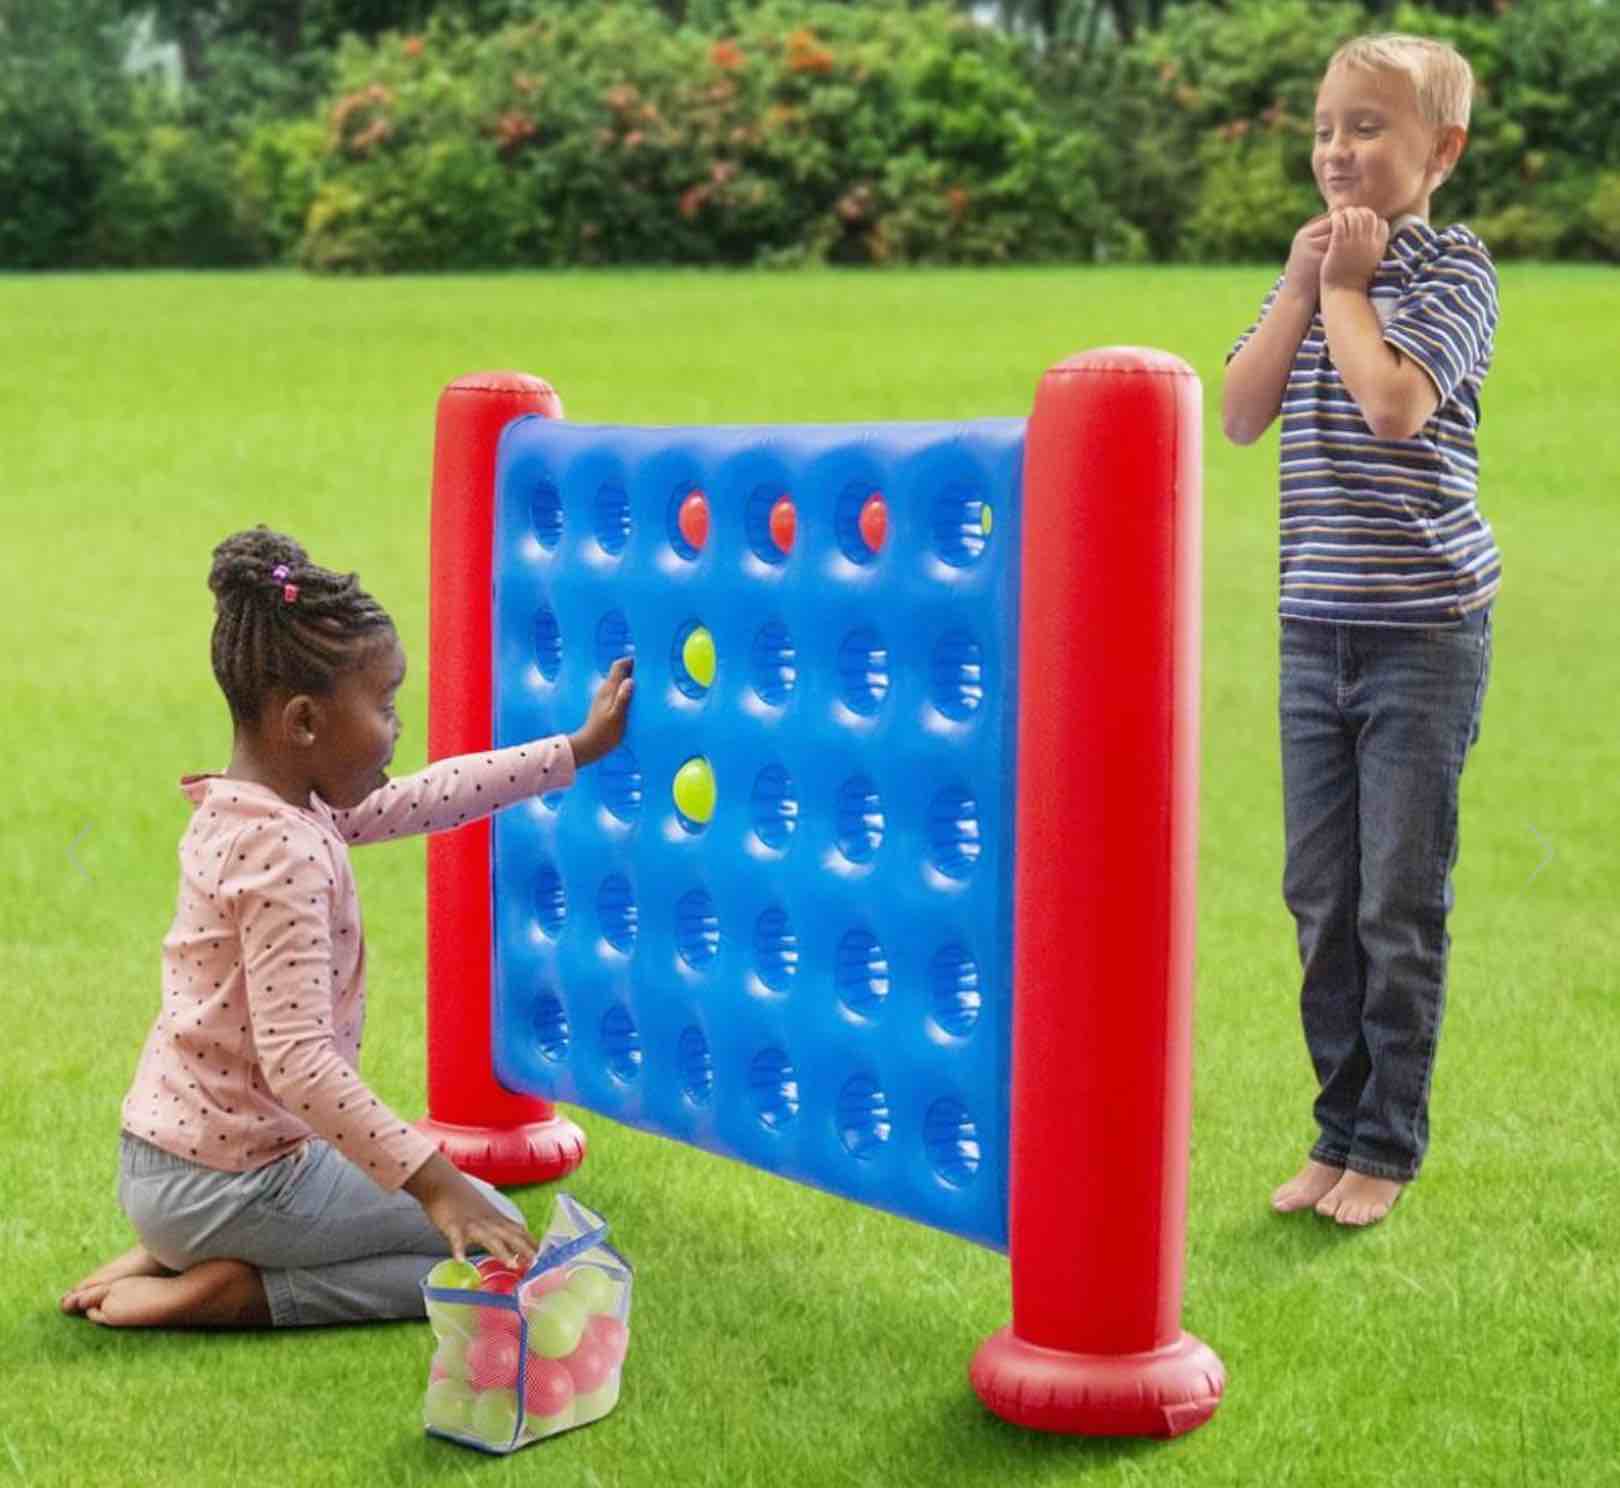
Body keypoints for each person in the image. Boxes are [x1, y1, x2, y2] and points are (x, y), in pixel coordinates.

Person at [60, 527, 634, 1325]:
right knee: (483, 1243)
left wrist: (573, 751)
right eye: (387, 705)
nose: (398, 727)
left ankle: (177, 1245)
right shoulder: (284, 853)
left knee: (460, 1209)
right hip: (239, 1180)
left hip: (166, 1165)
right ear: (303, 723)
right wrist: (439, 1189)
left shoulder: (251, 807)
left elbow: (434, 794)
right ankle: (236, 1290)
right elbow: (298, 1063)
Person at [1222, 34, 1499, 1226]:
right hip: (1312, 633)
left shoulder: (1452, 272)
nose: (1338, 150)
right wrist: (1299, 289)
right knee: (1320, 899)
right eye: (1327, 127)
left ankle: (1387, 1141)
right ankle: (1337, 1129)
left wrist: (1344, 292)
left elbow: (1393, 407)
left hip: (1422, 634)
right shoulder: (1310, 270)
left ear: (1440, 150)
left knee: (1396, 900)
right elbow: (1238, 413)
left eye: (1369, 128)